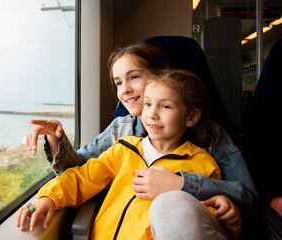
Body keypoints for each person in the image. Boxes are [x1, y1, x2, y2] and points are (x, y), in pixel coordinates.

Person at [26, 43, 256, 221]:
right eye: (118, 82)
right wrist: (55, 139)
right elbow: (80, 172)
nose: (125, 90)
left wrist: (181, 185)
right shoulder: (121, 133)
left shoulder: (209, 136)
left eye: (134, 77)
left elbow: (247, 198)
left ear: (160, 77)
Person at [17, 70, 231, 239]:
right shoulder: (124, 149)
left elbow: (203, 225)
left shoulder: (203, 163)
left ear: (191, 117)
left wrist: (229, 218)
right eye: (148, 104)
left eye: (165, 106)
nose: (152, 114)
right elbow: (82, 178)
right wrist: (49, 197)